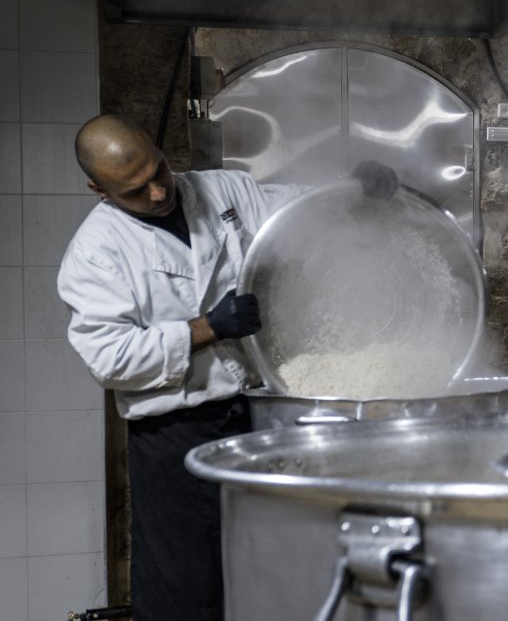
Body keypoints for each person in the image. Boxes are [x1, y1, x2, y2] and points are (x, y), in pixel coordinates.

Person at [57, 113, 398, 620]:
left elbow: (297, 211)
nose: (158, 193)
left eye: (158, 171)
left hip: (252, 417)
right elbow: (110, 359)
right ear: (99, 190)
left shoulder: (221, 190)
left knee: (262, 570)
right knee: (186, 586)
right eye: (135, 190)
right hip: (175, 433)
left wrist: (355, 188)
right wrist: (208, 328)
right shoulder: (95, 254)